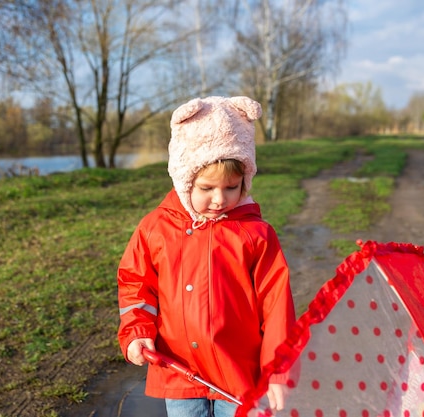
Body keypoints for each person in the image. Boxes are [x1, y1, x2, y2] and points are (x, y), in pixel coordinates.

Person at [117, 96, 296, 417]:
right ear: (185, 181)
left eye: (232, 187)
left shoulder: (256, 234)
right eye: (206, 188)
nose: (219, 199)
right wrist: (137, 332)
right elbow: (136, 286)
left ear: (246, 179)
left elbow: (277, 305)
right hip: (180, 369)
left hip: (239, 374)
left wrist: (277, 370)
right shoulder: (155, 228)